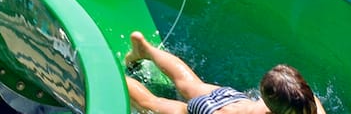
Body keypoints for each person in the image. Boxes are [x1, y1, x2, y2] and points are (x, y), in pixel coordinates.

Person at [124, 32, 325, 114]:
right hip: (211, 112)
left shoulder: (303, 101)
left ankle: (146, 50)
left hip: (231, 98)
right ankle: (118, 79)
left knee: (190, 84)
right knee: (152, 104)